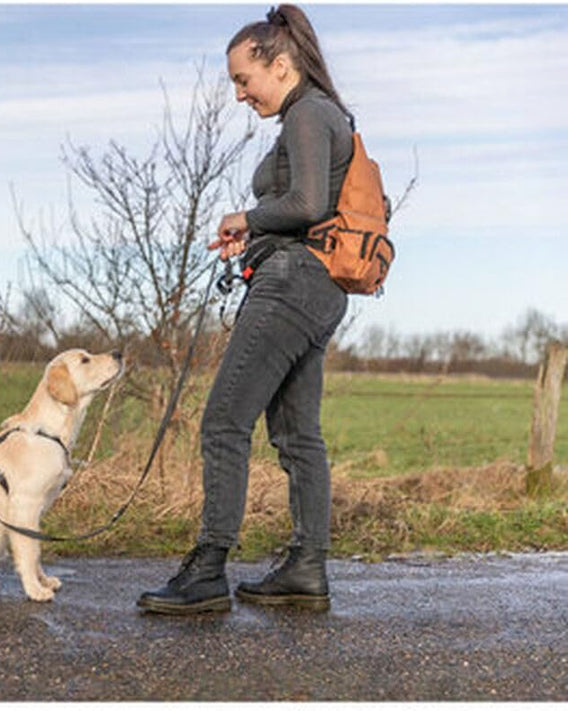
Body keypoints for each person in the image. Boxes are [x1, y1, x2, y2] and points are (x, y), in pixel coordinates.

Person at [138, 4, 352, 614]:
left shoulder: (308, 112)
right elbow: (307, 207)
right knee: (296, 435)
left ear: (279, 65)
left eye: (242, 79)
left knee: (224, 422)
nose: (238, 94)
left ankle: (208, 568)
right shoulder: (322, 114)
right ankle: (307, 567)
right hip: (316, 288)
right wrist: (256, 234)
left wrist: (246, 218)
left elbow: (308, 203)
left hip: (290, 285)